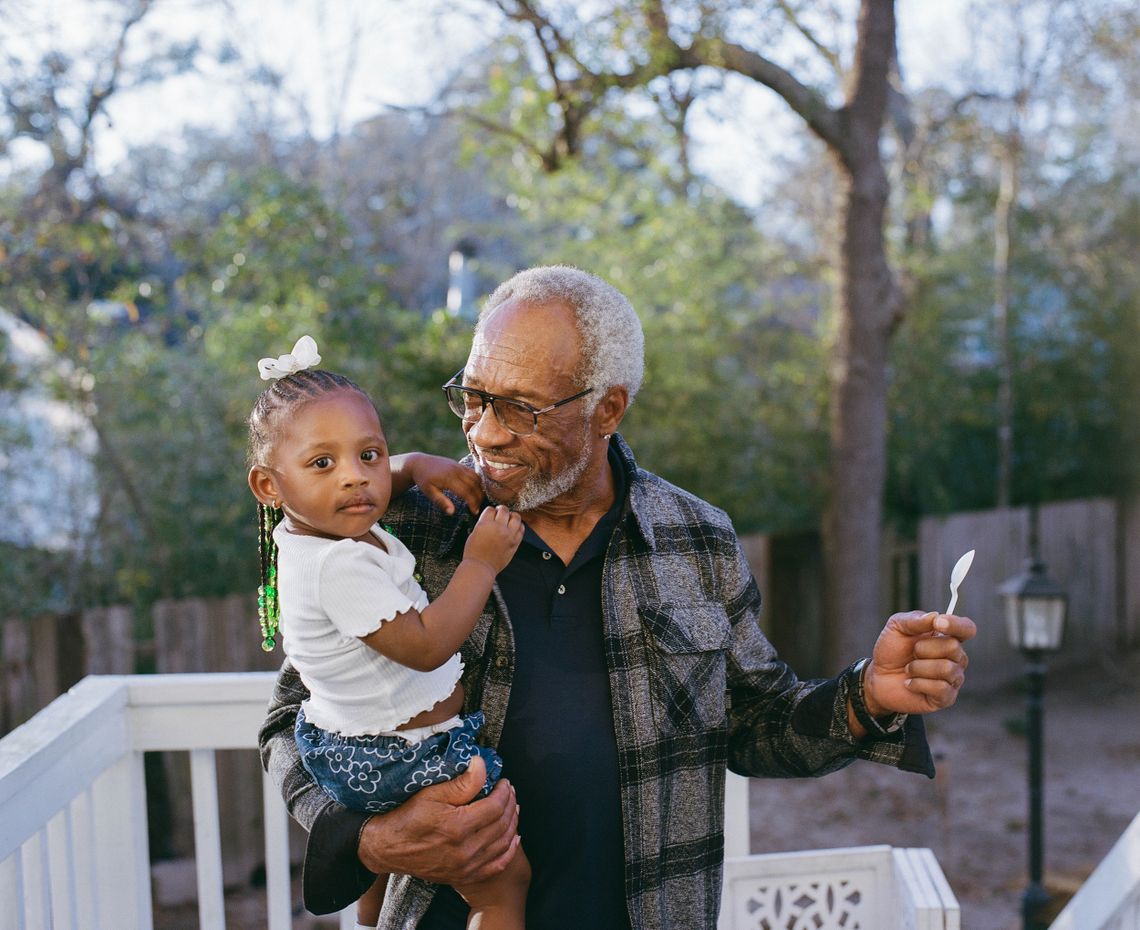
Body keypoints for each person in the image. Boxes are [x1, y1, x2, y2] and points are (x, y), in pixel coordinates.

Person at [258, 266, 977, 930]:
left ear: (607, 409)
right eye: (472, 396)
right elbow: (291, 723)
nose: (483, 431)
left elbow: (758, 724)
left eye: (518, 408)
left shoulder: (695, 539)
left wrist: (868, 697)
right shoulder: (402, 524)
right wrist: (376, 843)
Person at [246, 335, 529, 930]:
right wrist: (480, 563)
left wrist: (414, 465)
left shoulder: (311, 533)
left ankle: (374, 918)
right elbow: (425, 648)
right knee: (503, 882)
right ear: (269, 486)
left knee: (382, 892)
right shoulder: (341, 566)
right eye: (323, 463)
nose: (356, 480)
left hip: (344, 745)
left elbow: (362, 482)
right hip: (404, 756)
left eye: (369, 454)